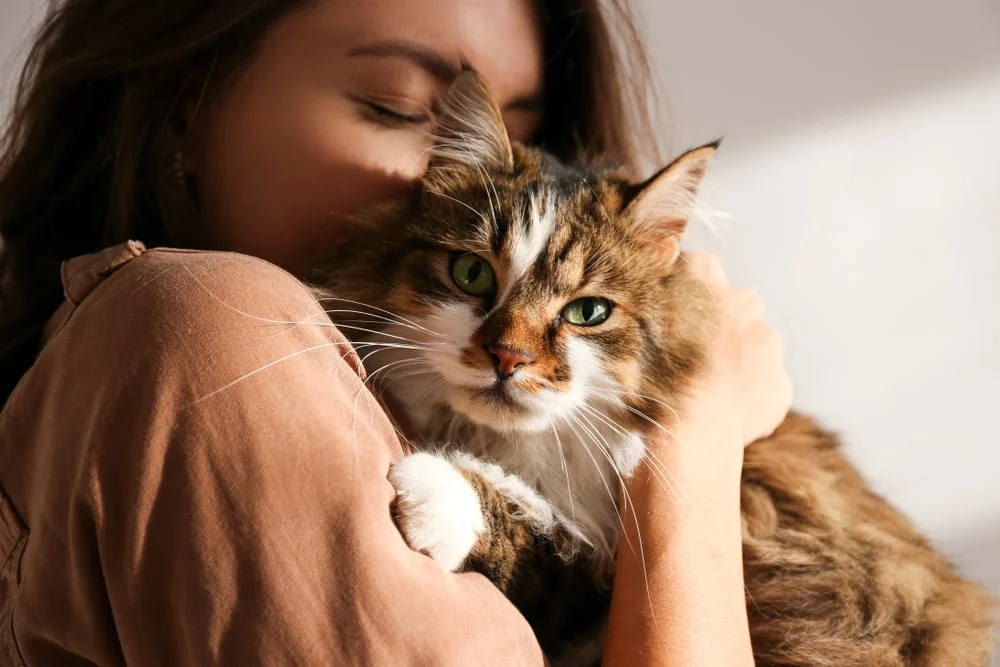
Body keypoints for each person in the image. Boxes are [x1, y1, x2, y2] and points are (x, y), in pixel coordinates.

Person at [0, 0, 792, 665]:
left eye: (523, 133)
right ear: (182, 103)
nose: (458, 179)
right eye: (404, 108)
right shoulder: (212, 326)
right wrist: (694, 444)